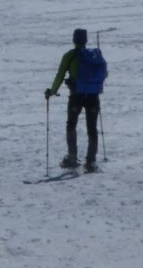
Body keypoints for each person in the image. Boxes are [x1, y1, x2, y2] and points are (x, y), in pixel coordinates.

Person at [45, 28, 108, 172]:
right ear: (86, 40)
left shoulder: (70, 56)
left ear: (74, 40)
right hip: (93, 96)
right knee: (92, 129)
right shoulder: (95, 56)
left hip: (76, 96)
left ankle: (72, 158)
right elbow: (104, 74)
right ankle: (91, 162)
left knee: (71, 125)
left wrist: (52, 91)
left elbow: (60, 75)